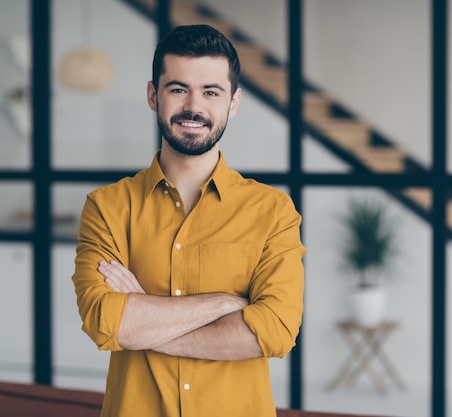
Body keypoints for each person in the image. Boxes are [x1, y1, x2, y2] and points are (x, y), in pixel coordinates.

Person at [72, 24, 305, 417]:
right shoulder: (108, 206)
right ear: (153, 95)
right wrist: (224, 304)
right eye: (178, 89)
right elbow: (104, 321)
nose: (194, 107)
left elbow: (275, 331)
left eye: (211, 92)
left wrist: (142, 319)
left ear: (233, 103)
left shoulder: (273, 212)